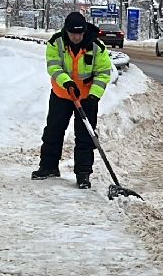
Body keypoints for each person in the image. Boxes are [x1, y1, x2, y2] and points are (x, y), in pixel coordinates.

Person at [32, 11, 115, 189]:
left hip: (86, 98)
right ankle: (48, 167)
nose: (76, 37)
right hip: (62, 94)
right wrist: (67, 83)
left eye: (80, 33)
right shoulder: (56, 42)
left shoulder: (96, 47)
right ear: (66, 31)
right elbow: (53, 66)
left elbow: (103, 73)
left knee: (86, 135)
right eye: (73, 33)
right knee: (53, 131)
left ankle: (83, 174)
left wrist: (94, 96)